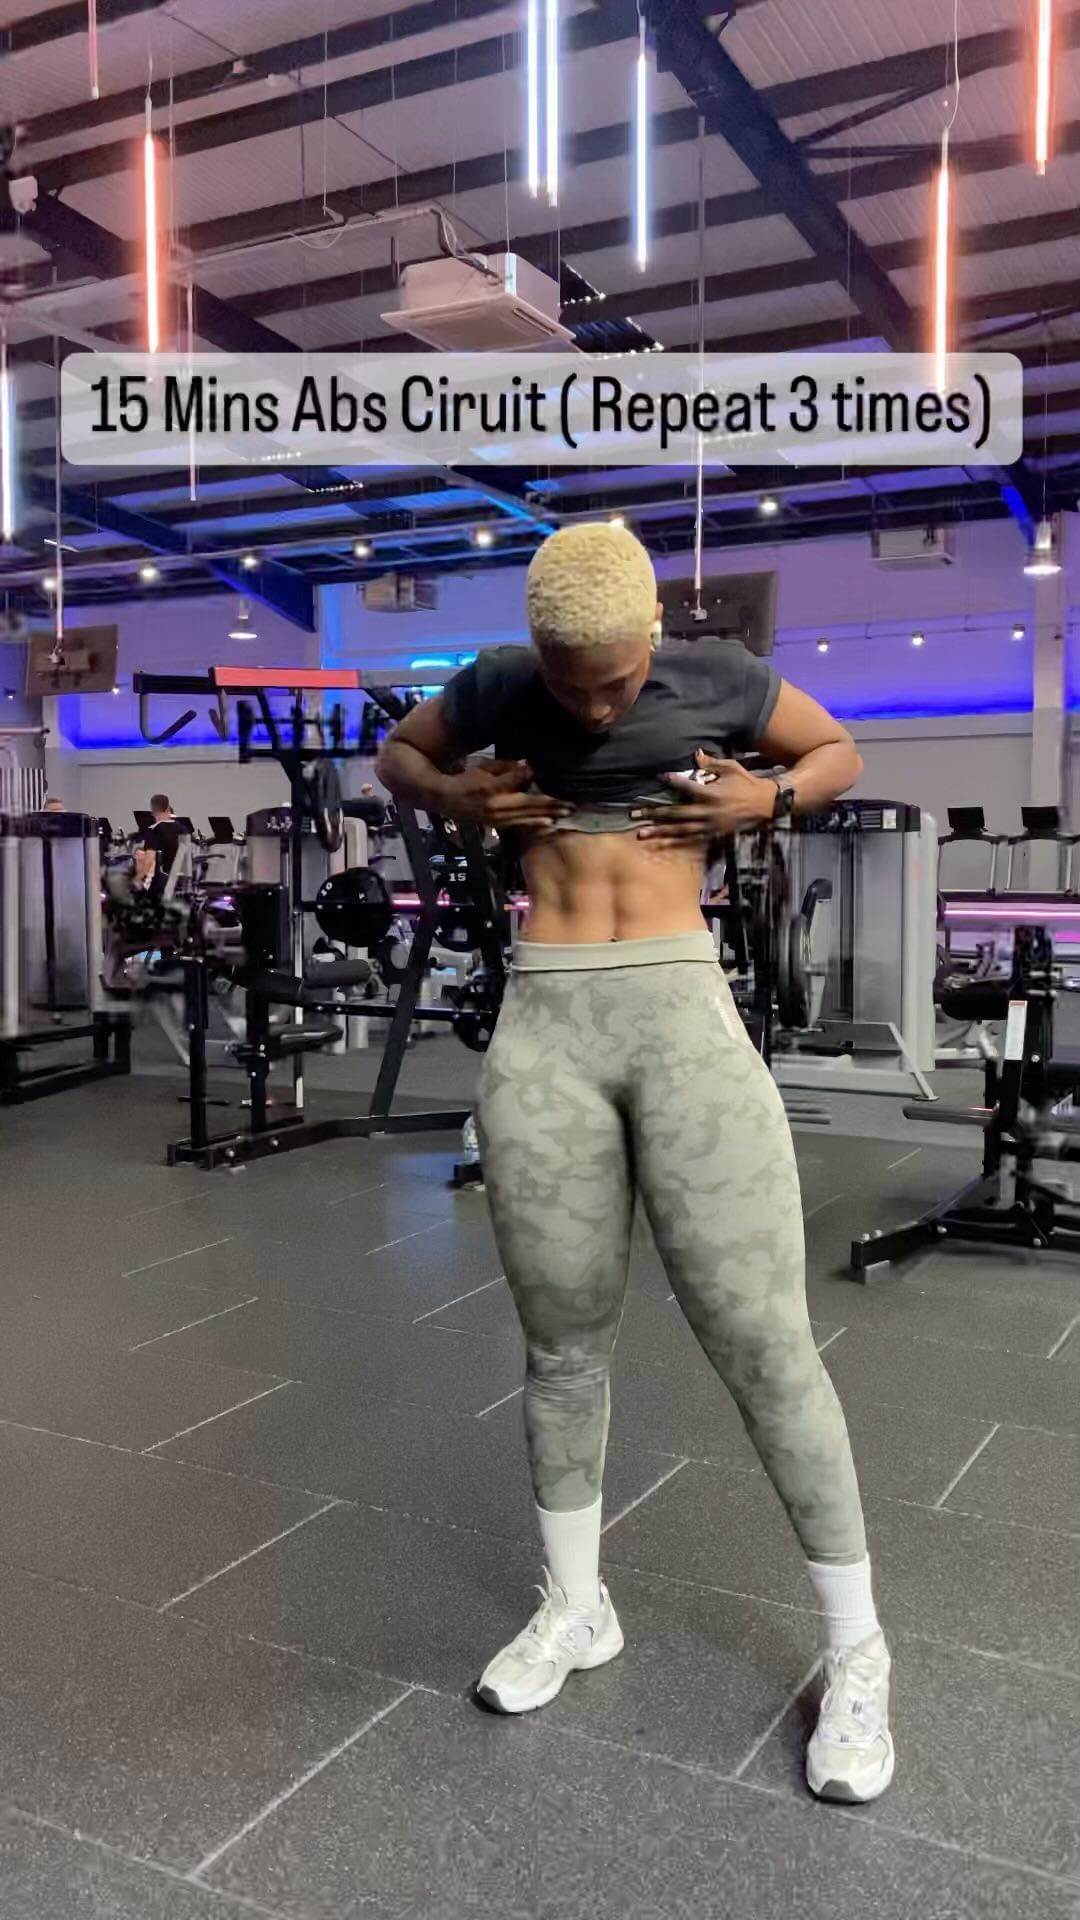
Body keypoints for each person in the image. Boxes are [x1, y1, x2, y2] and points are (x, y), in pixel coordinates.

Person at [376, 524, 893, 1806]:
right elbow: (400, 755)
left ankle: (858, 1649)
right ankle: (577, 1606)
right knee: (560, 1348)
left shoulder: (719, 676)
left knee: (765, 1343)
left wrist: (768, 800)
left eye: (614, 681)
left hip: (682, 1022)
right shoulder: (501, 683)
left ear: (654, 635)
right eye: (573, 684)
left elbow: (836, 750)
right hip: (544, 1029)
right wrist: (455, 799)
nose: (596, 706)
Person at [134, 793, 182, 901]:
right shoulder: (182, 829)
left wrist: (138, 879)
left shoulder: (154, 830)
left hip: (161, 883)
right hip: (178, 881)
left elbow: (149, 859)